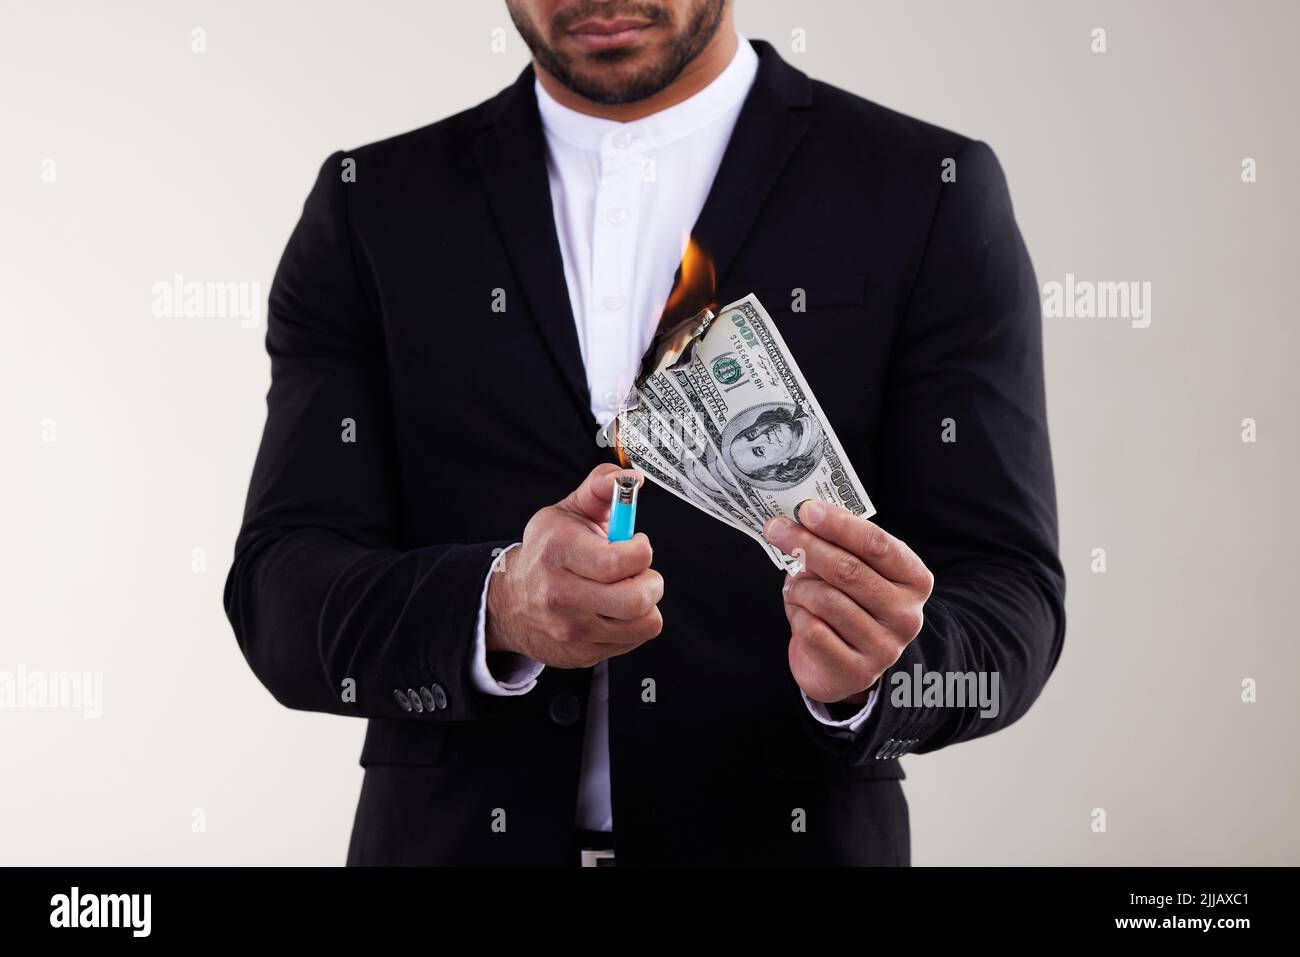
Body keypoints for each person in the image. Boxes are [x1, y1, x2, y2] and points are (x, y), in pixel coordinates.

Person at [224, 0, 1065, 865]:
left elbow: (1014, 600)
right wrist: (497, 606)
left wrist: (883, 676)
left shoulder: (927, 190)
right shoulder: (373, 206)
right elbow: (278, 594)